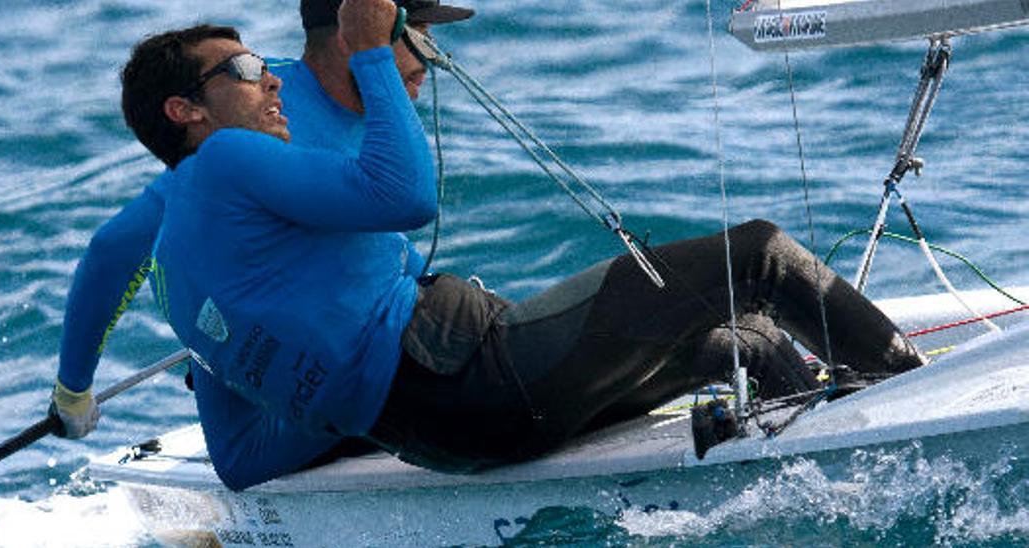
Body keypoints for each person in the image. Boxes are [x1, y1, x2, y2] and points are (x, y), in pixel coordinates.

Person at [59, 2, 927, 491]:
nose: (269, 80)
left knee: (735, 343)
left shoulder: (174, 249)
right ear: (189, 111)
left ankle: (838, 471)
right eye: (248, 73)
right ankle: (915, 419)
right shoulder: (232, 158)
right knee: (763, 256)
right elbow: (405, 197)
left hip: (437, 427)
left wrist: (75, 391)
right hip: (465, 371)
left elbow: (151, 286)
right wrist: (367, 56)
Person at [48, 0, 473, 450]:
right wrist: (74, 389)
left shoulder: (378, 115)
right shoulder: (258, 121)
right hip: (269, 420)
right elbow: (115, 250)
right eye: (418, 33)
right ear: (356, 30)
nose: (432, 55)